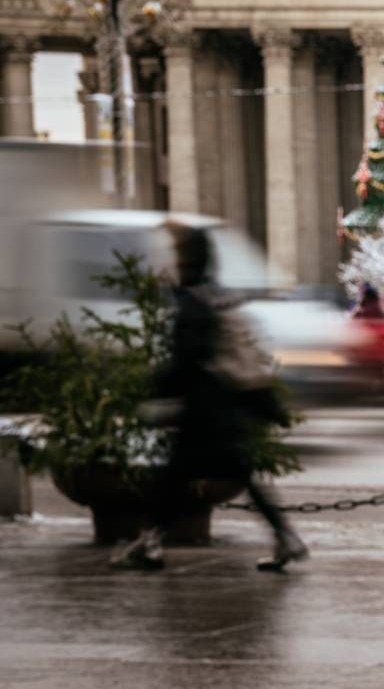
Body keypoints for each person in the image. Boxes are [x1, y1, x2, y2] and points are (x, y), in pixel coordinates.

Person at [111, 220, 307, 572]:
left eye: (174, 252)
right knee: (230, 474)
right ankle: (285, 538)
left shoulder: (192, 303)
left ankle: (151, 543)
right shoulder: (209, 292)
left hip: (206, 410)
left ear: (186, 258)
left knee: (176, 477)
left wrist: (152, 391)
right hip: (223, 405)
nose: (168, 259)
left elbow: (188, 357)